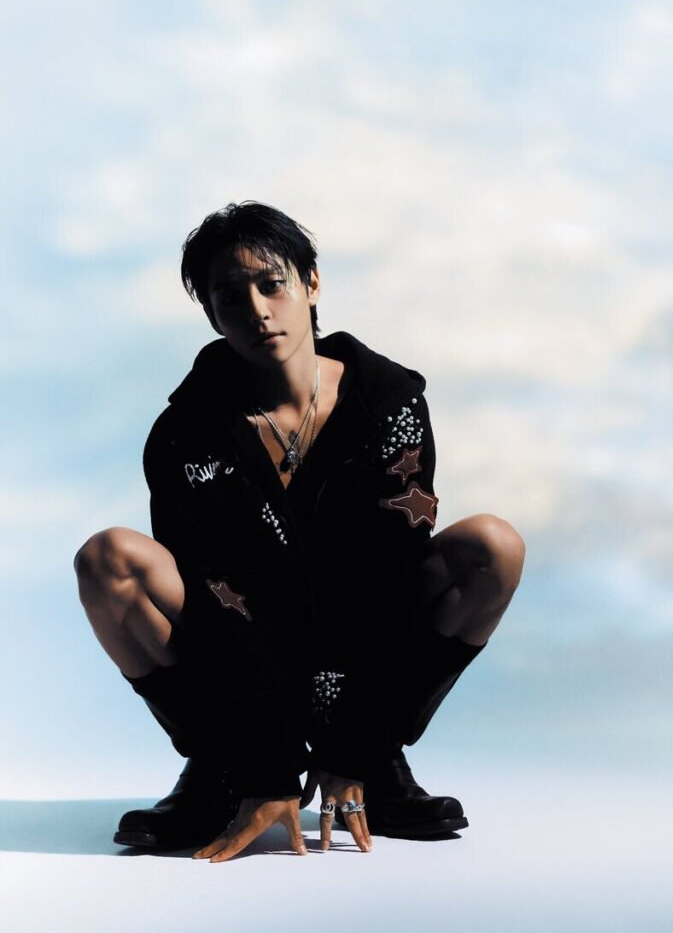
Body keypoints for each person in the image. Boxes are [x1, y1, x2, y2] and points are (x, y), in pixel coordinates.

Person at [74, 200, 525, 862]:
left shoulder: (388, 403)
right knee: (108, 559)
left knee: (492, 547)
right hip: (242, 638)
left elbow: (391, 578)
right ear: (211, 314)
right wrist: (263, 767)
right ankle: (219, 767)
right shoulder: (186, 431)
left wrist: (355, 749)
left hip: (359, 634)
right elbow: (215, 593)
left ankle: (379, 769)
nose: (257, 309)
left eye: (272, 284)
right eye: (231, 296)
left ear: (311, 284)